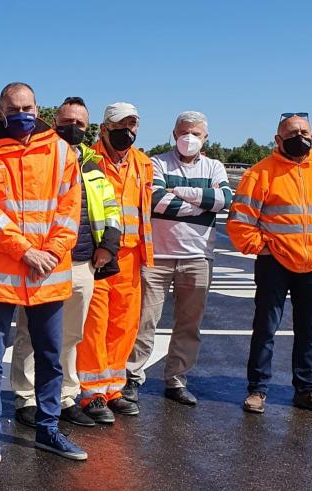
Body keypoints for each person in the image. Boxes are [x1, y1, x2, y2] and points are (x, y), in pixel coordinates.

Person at [0, 82, 87, 463]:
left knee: (50, 356)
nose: (22, 114)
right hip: (1, 276)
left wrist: (48, 252)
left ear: (38, 108)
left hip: (46, 272)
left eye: (28, 107)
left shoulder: (62, 152)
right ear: (1, 111)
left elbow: (70, 211)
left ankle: (49, 429)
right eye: (14, 108)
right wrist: (25, 251)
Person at [9, 96, 122, 429]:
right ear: (53, 121)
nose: (73, 128)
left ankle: (66, 396)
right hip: (43, 262)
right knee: (31, 333)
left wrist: (108, 247)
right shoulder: (36, 156)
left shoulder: (92, 163)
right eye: (68, 122)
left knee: (72, 334)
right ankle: (27, 398)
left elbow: (110, 209)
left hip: (82, 262)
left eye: (80, 124)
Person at [227, 112, 312, 415]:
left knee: (309, 331)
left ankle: (306, 390)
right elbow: (240, 221)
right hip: (274, 264)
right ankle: (257, 390)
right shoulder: (260, 173)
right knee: (266, 328)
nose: (299, 137)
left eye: (303, 132)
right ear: (278, 140)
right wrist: (262, 248)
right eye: (291, 133)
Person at [124, 111, 231, 406]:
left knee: (188, 324)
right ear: (174, 134)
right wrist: (201, 203)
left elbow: (223, 200)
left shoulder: (214, 166)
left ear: (205, 137)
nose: (190, 138)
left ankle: (176, 380)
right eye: (184, 132)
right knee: (144, 322)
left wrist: (181, 193)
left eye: (196, 133)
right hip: (157, 256)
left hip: (198, 257)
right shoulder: (157, 163)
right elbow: (156, 200)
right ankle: (131, 378)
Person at [76, 102, 154, 423]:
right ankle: (91, 392)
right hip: (100, 256)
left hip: (132, 257)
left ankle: (113, 388)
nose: (128, 132)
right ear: (103, 129)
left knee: (123, 325)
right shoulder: (87, 160)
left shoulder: (143, 164)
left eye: (133, 125)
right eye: (121, 125)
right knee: (94, 325)